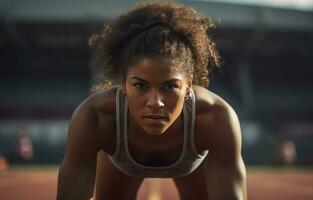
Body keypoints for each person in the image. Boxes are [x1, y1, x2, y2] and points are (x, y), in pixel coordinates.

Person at [57, 1, 247, 199]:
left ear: (189, 85)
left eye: (170, 86)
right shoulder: (96, 117)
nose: (155, 102)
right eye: (140, 85)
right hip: (119, 162)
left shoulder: (215, 117)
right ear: (122, 83)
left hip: (193, 165)